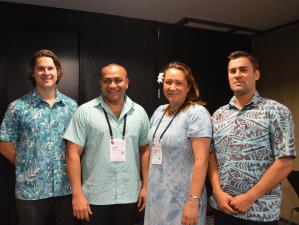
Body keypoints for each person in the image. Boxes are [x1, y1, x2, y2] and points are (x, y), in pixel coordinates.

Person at [208, 51, 296, 225]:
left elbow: (285, 163)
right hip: (222, 207)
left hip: (259, 211)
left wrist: (249, 197)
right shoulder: (218, 115)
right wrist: (217, 192)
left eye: (243, 70)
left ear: (256, 74)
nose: (237, 75)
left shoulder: (276, 111)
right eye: (232, 71)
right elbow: (212, 156)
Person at [64, 63, 150, 225]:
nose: (112, 85)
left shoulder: (139, 113)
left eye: (118, 80)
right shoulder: (85, 112)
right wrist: (77, 194)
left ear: (127, 83)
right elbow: (72, 154)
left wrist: (146, 186)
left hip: (131, 196)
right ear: (100, 83)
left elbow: (145, 150)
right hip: (94, 198)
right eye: (107, 81)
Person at [0, 49, 77, 225]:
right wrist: (27, 165)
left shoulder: (71, 106)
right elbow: (4, 143)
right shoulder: (18, 107)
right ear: (33, 73)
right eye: (40, 68)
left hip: (65, 188)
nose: (46, 73)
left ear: (58, 72)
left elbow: (77, 144)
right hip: (30, 191)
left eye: (50, 68)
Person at [144, 61, 212, 225]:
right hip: (156, 195)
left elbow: (201, 160)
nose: (172, 87)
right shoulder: (159, 111)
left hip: (182, 197)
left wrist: (193, 200)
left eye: (178, 83)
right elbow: (151, 149)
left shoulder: (196, 113)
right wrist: (146, 187)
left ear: (188, 86)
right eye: (168, 82)